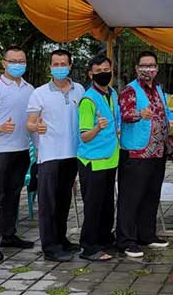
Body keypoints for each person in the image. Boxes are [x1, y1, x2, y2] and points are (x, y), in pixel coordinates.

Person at [26, 49, 85, 262]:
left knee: (64, 199)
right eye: (55, 64)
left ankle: (62, 239)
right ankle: (50, 247)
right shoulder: (39, 93)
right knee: (48, 203)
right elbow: (29, 123)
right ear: (50, 66)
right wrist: (37, 127)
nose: (59, 67)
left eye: (63, 64)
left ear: (70, 66)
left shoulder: (79, 90)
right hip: (49, 154)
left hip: (72, 154)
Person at [0, 45, 34, 261]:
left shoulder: (30, 89)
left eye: (22, 61)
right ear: (4, 63)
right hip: (0, 150)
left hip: (22, 148)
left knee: (13, 194)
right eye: (13, 61)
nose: (18, 65)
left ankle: (9, 234)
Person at [116, 51, 172, 258]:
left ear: (157, 68)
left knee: (151, 195)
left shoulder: (158, 89)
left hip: (157, 152)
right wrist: (140, 114)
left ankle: (146, 234)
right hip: (137, 152)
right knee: (130, 198)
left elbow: (164, 115)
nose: (148, 69)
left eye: (152, 65)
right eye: (144, 65)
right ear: (137, 68)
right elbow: (124, 114)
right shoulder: (130, 90)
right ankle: (126, 240)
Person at [76, 54, 121, 261]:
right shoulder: (88, 100)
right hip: (92, 161)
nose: (103, 74)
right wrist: (97, 127)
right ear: (90, 74)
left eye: (106, 70)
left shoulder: (112, 93)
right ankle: (89, 247)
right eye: (98, 71)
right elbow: (84, 136)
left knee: (106, 204)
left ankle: (104, 239)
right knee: (93, 206)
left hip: (110, 158)